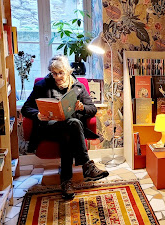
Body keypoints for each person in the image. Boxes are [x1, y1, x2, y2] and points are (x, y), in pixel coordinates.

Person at [21, 55, 109, 199]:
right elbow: (26, 108)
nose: (57, 77)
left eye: (61, 73)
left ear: (68, 71)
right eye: (54, 73)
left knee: (68, 132)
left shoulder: (78, 86)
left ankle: (66, 183)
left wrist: (82, 108)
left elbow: (92, 109)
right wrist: (37, 114)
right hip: (48, 128)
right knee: (73, 125)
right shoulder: (42, 86)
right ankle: (86, 165)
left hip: (68, 130)